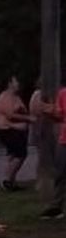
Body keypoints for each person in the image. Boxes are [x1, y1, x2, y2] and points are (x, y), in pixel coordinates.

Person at [32, 83, 66, 220]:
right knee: (61, 173)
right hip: (65, 140)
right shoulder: (63, 93)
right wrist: (50, 111)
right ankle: (56, 207)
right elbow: (59, 115)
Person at [0, 76, 31, 192]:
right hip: (8, 130)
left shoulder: (16, 97)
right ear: (10, 83)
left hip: (18, 131)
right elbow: (10, 114)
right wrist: (30, 118)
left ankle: (11, 182)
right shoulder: (5, 97)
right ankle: (7, 181)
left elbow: (21, 110)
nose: (19, 84)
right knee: (20, 155)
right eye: (16, 81)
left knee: (13, 155)